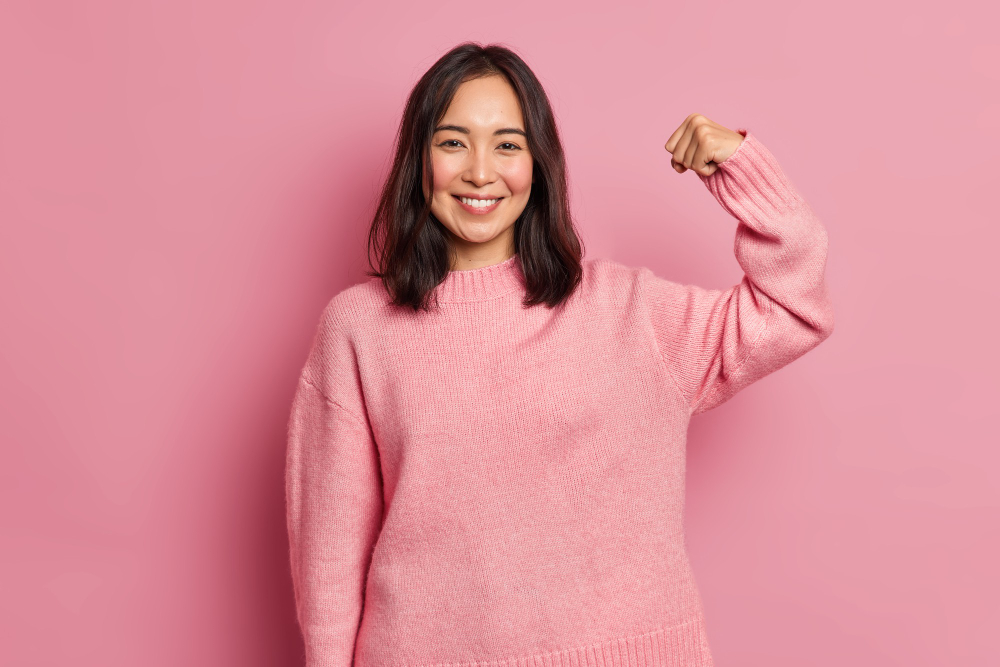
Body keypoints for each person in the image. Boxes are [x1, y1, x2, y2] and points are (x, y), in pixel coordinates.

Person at [285, 41, 834, 667]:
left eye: (508, 144)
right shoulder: (360, 329)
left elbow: (793, 306)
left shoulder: (630, 313)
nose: (481, 171)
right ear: (419, 160)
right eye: (453, 142)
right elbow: (328, 561)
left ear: (539, 166)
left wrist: (741, 167)